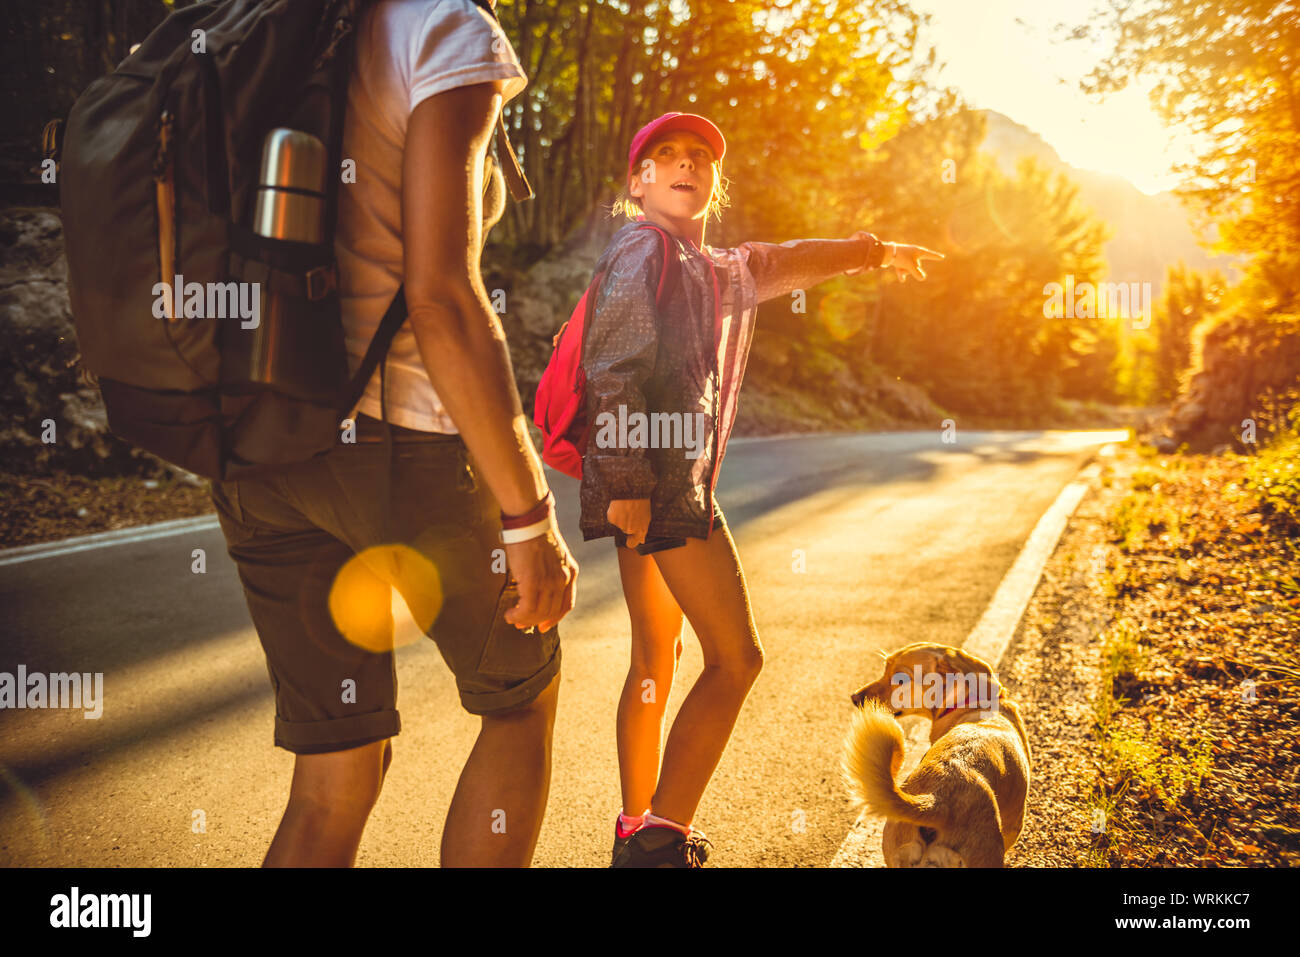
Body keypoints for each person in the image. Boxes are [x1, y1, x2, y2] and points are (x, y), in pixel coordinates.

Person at [209, 0, 577, 867]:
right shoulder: (444, 27)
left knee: (333, 772)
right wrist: (527, 514)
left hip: (254, 439)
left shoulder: (269, 26)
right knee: (520, 696)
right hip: (397, 441)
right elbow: (442, 297)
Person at [583, 111, 943, 867]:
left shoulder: (708, 268)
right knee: (736, 657)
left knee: (656, 657)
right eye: (666, 155)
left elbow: (785, 260)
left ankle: (635, 824)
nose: (687, 165)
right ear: (637, 181)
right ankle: (658, 843)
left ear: (713, 185)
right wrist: (626, 482)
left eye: (700, 159)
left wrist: (873, 251)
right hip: (660, 485)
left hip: (650, 484)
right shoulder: (642, 248)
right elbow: (610, 365)